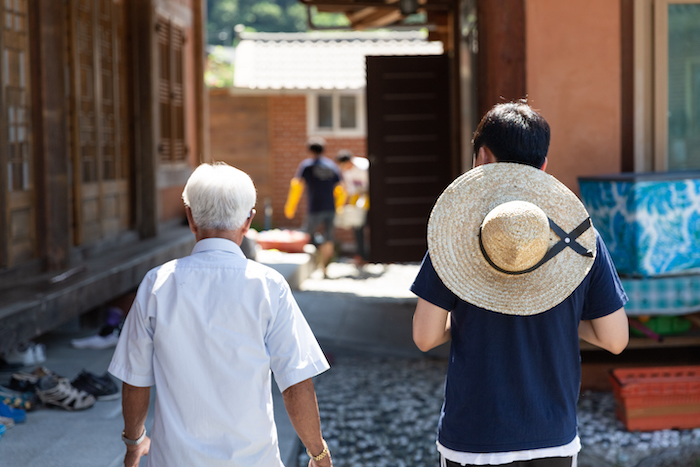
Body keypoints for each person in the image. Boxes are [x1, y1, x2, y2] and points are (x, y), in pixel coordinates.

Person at [411, 102, 629, 467]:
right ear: (543, 165)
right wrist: (557, 312)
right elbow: (614, 339)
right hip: (552, 439)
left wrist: (468, 312)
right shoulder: (580, 239)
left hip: (473, 438)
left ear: (482, 158)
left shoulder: (454, 236)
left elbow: (425, 336)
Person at [109, 162, 332, 467]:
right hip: (253, 459)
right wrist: (317, 452)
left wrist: (134, 443)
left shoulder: (157, 283)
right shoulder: (268, 285)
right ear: (248, 221)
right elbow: (294, 383)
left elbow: (135, 380)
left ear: (190, 218)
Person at [285, 137, 342, 276]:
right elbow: (341, 188)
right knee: (329, 238)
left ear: (310, 150)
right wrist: (339, 206)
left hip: (315, 207)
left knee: (307, 235)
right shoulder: (332, 166)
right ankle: (324, 269)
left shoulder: (307, 165)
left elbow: (297, 185)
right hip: (330, 207)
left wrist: (291, 207)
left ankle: (307, 269)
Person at [335, 150, 370, 266]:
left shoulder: (364, 166)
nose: (343, 168)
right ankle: (361, 256)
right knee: (357, 227)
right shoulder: (346, 171)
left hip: (371, 198)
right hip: (358, 200)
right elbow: (350, 189)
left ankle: (377, 255)